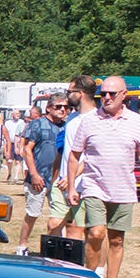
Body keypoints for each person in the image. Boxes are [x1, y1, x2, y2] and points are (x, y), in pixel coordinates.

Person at [66, 76, 140, 278]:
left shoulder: (137, 122)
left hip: (123, 188)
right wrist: (72, 186)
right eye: (102, 94)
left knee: (116, 239)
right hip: (94, 185)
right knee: (96, 233)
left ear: (123, 95)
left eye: (111, 94)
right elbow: (74, 155)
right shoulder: (89, 121)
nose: (106, 98)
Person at [48, 76, 98, 240]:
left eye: (70, 92)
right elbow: (64, 152)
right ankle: (52, 264)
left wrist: (72, 177)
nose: (67, 95)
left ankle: (75, 264)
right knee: (53, 225)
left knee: (75, 230)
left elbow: (92, 156)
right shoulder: (72, 117)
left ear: (80, 93)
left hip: (81, 184)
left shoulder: (97, 119)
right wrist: (55, 179)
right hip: (62, 182)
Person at [16, 102, 65, 256]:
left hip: (59, 180)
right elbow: (27, 150)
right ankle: (22, 246)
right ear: (49, 108)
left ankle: (59, 249)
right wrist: (34, 174)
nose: (63, 109)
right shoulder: (38, 124)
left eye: (66, 107)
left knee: (61, 216)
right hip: (38, 178)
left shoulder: (68, 126)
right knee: (33, 214)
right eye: (58, 106)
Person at [5, 109, 26, 181]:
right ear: (12, 114)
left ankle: (16, 177)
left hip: (19, 143)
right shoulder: (8, 123)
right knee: (9, 161)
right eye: (16, 113)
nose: (18, 114)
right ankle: (9, 172)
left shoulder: (22, 122)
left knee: (18, 161)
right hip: (10, 143)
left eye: (19, 113)